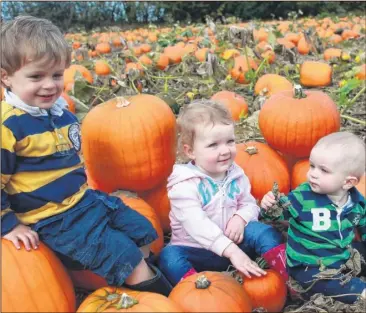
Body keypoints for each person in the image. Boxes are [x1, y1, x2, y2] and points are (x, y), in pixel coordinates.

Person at [1, 15, 171, 296]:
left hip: (85, 200)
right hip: (53, 219)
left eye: (56, 75)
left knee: (142, 231)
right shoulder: (8, 126)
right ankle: (164, 298)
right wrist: (8, 226)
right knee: (128, 259)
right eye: (36, 76)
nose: (49, 85)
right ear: (5, 76)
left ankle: (129, 276)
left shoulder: (61, 113)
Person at [158, 99, 288, 286]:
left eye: (230, 141)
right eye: (213, 145)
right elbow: (197, 224)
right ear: (190, 151)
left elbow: (249, 204)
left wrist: (241, 218)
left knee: (264, 232)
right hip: (197, 250)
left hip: (237, 242)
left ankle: (288, 276)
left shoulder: (236, 173)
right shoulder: (183, 185)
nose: (225, 150)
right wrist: (231, 251)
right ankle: (196, 290)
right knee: (169, 257)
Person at [261, 131, 366, 303]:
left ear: (348, 182)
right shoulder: (303, 197)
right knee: (327, 283)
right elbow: (275, 215)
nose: (313, 174)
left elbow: (364, 225)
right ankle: (359, 291)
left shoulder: (357, 202)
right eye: (312, 166)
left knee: (360, 250)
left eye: (323, 170)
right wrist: (269, 206)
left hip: (342, 256)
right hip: (309, 266)